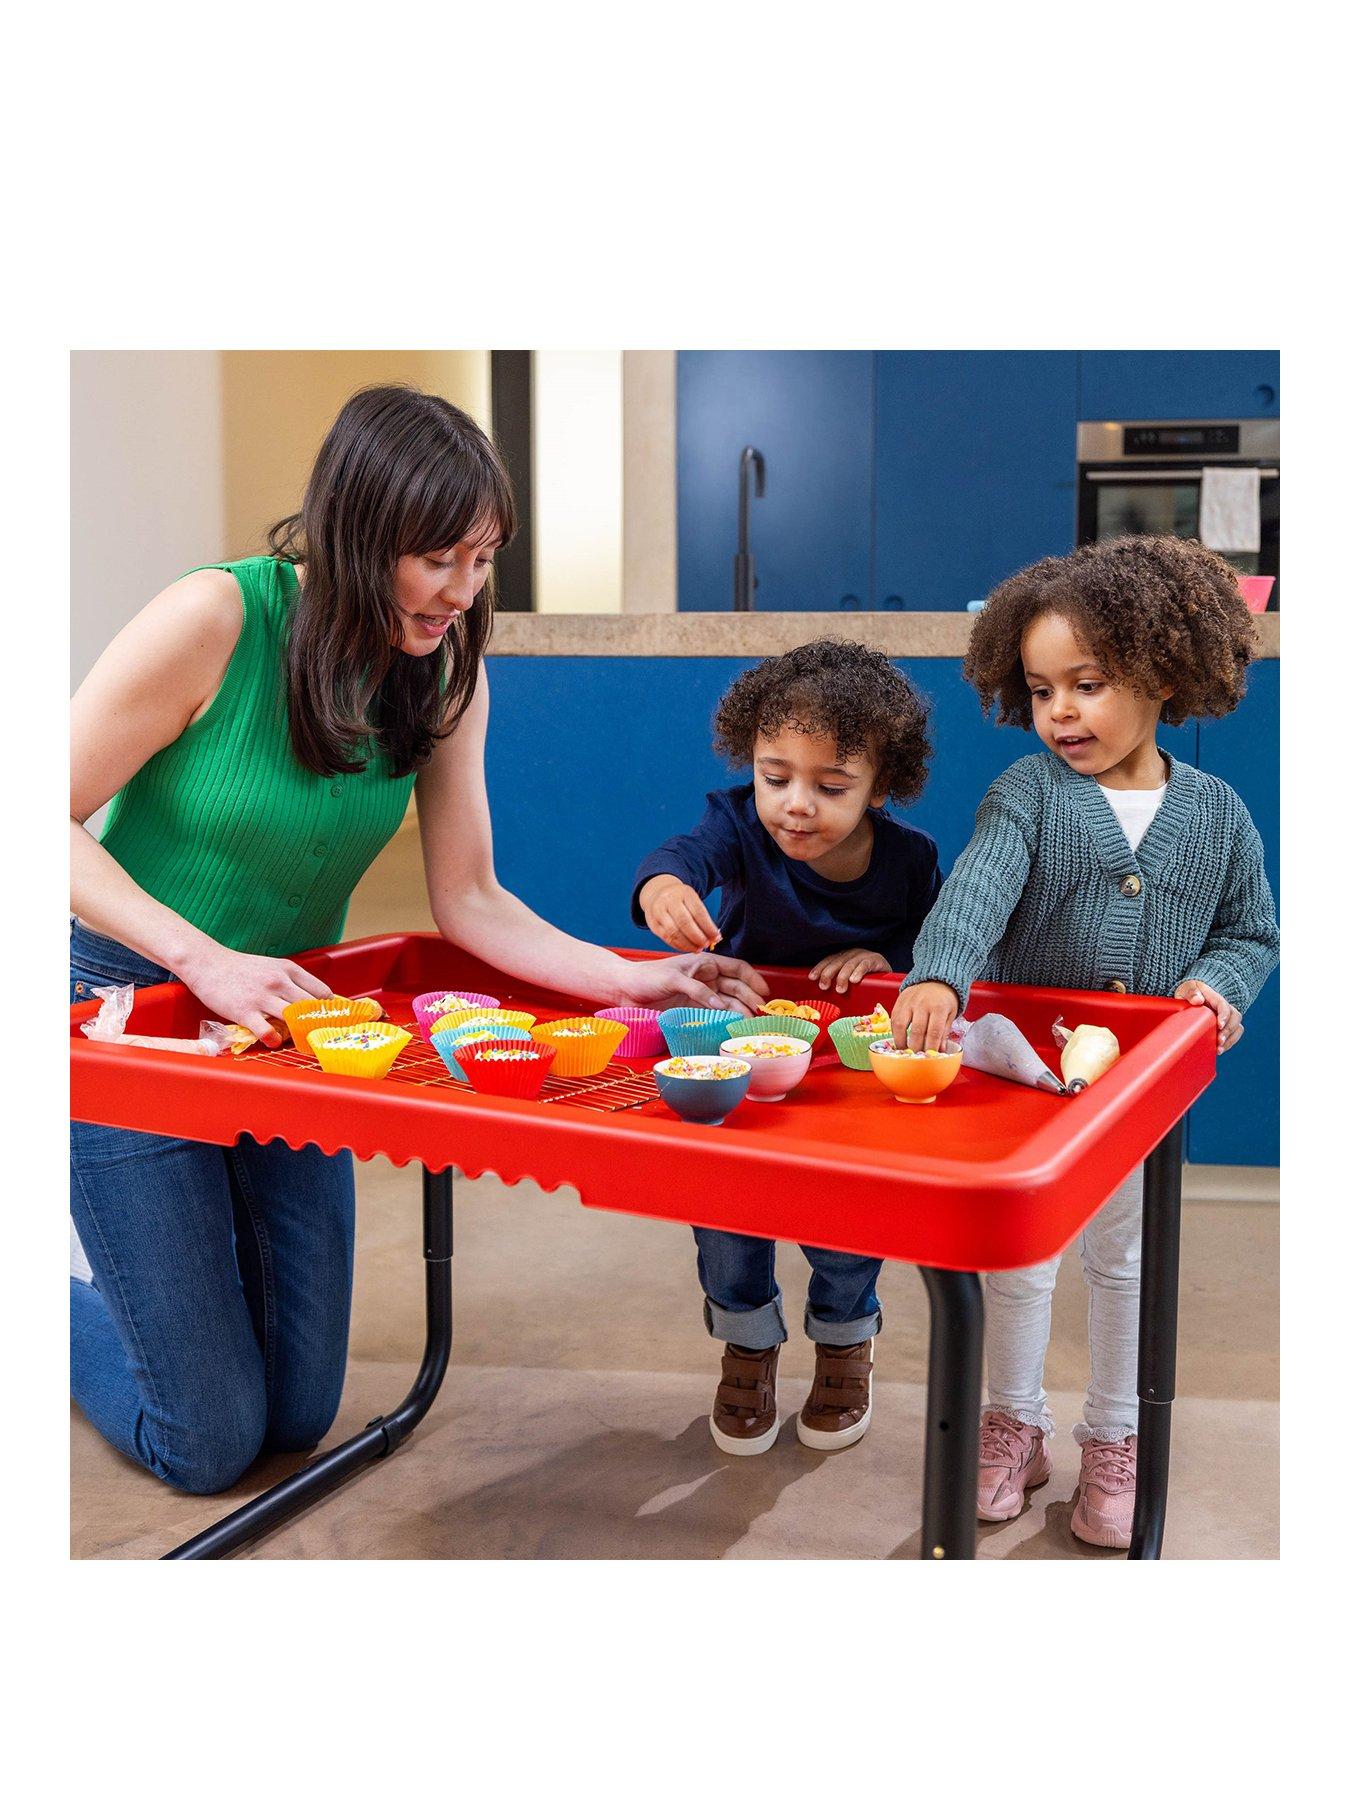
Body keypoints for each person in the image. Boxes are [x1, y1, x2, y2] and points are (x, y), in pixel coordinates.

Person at [70, 383, 766, 1495]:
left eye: (483, 559)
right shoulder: (215, 618)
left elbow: (472, 899)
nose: (462, 591)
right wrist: (200, 958)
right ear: (358, 528)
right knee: (206, 1446)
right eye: (438, 557)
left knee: (296, 1415)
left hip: (287, 1019)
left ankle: (162, 1289)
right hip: (123, 1019)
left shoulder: (444, 669)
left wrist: (643, 976)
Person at [890, 535, 1279, 1548]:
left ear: (1161, 674)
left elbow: (1251, 932)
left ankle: (1117, 1441)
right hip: (1028, 1079)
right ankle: (1011, 1427)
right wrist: (939, 969)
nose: (1059, 711)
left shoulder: (1219, 816)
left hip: (1145, 1090)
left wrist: (1219, 987)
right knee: (1017, 1266)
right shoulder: (1029, 795)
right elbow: (977, 887)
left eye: (1089, 684)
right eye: (1039, 688)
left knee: (1125, 1261)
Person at [632, 639, 942, 1454]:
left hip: (849, 1074)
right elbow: (681, 857)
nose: (795, 805)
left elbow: (936, 946)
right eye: (776, 777)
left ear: (880, 788)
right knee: (725, 1212)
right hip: (743, 1059)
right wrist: (664, 888)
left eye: (831, 786)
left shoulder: (910, 859)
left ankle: (845, 1344)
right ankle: (747, 1344)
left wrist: (887, 959)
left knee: (843, 1220)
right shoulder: (736, 822)